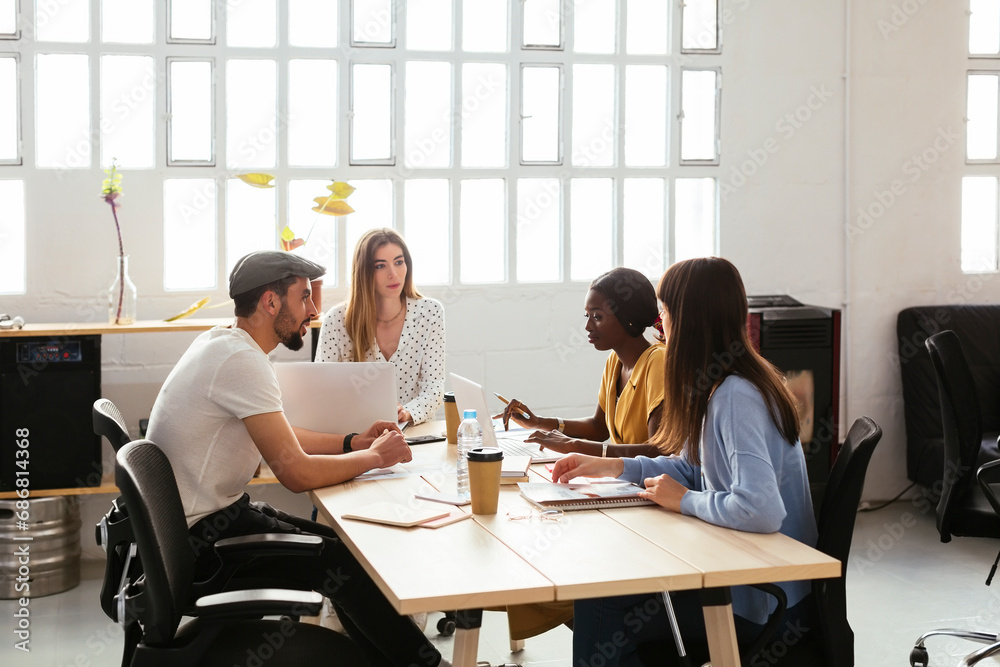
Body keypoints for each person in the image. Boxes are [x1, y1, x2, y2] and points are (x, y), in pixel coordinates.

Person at [146, 250, 446, 667]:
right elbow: (295, 472)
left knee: (346, 553)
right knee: (344, 564)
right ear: (271, 303)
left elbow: (284, 434)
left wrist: (353, 443)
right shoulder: (241, 362)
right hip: (206, 546)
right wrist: (376, 458)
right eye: (303, 297)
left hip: (210, 523)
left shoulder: (224, 344)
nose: (313, 309)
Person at [552, 257, 817, 667]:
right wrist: (614, 466)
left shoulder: (735, 397)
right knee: (607, 592)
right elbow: (695, 469)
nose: (661, 326)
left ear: (687, 320)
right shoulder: (726, 383)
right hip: (746, 576)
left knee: (600, 603)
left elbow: (760, 509)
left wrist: (685, 501)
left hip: (761, 599)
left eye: (665, 314)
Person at [500, 267, 669, 458]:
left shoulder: (657, 361)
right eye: (587, 316)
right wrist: (538, 422)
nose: (588, 326)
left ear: (627, 317)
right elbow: (599, 428)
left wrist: (575, 446)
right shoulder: (615, 361)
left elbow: (657, 451)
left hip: (651, 484)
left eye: (597, 317)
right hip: (625, 480)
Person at [318, 228, 445, 425]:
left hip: (416, 434)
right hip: (358, 434)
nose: (393, 274)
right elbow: (323, 390)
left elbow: (434, 387)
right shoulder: (336, 320)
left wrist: (407, 413)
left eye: (399, 262)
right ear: (364, 272)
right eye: (380, 266)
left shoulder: (430, 313)